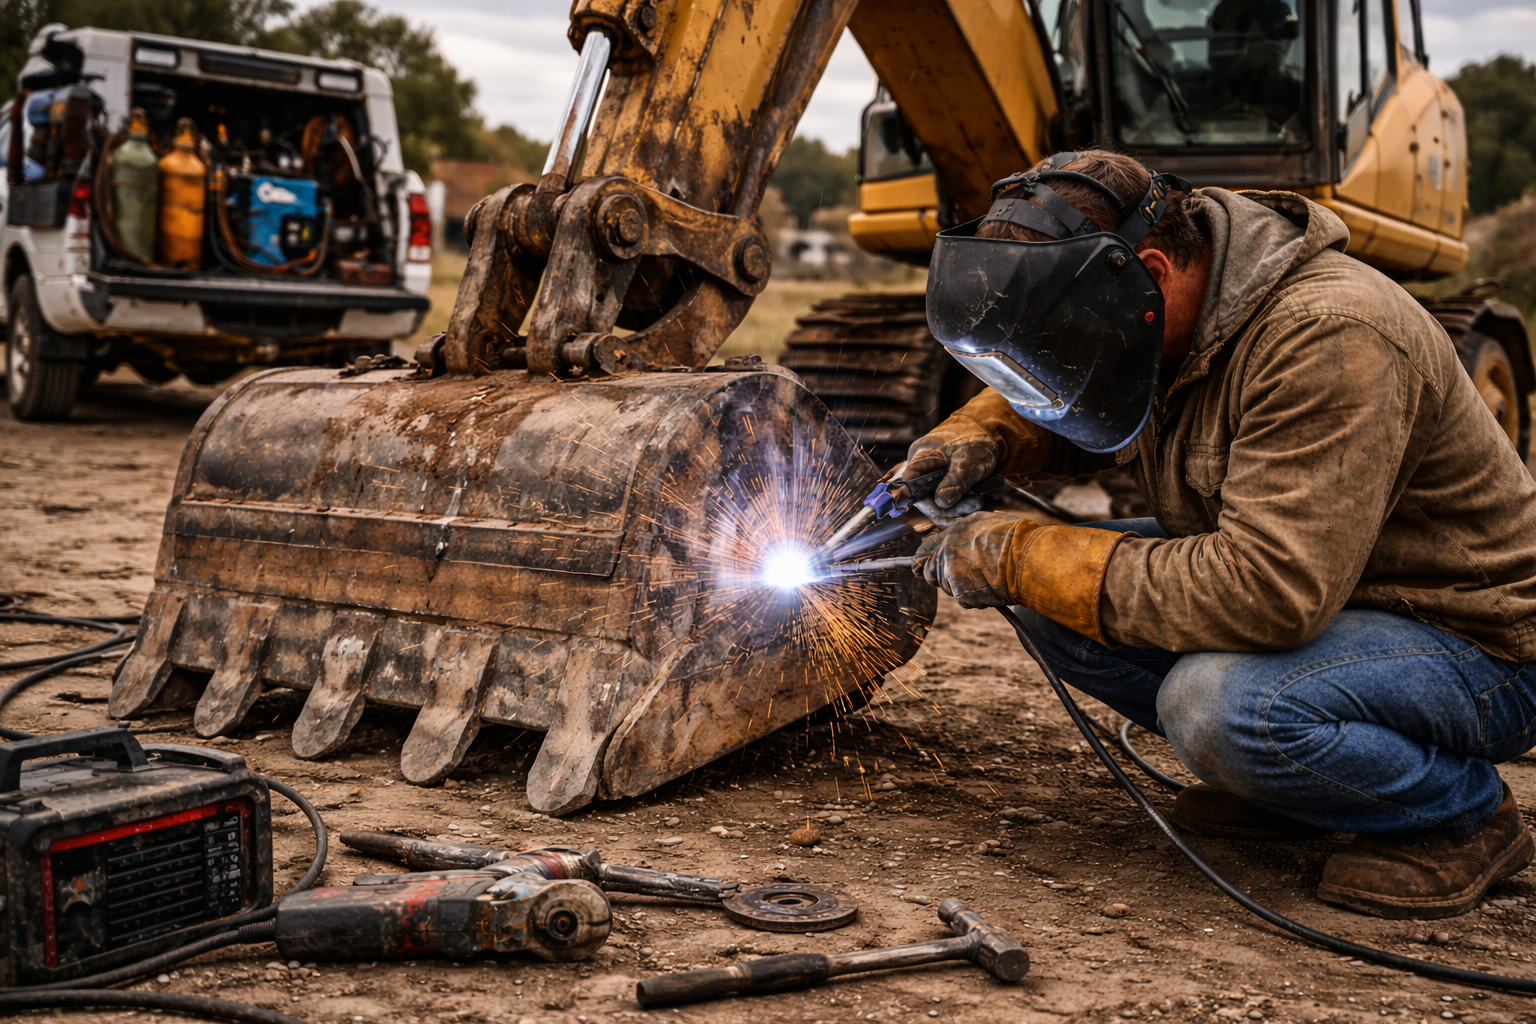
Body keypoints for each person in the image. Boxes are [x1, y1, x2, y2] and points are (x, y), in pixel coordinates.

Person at [909, 149, 1536, 920]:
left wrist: (1020, 553)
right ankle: (1298, 789)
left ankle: (1462, 816)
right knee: (1049, 605)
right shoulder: (1166, 313)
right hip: (1330, 600)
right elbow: (1098, 403)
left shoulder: (1329, 335)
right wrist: (989, 434)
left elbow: (1269, 594)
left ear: (1149, 271)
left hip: (1468, 643)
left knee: (1218, 707)